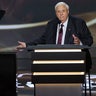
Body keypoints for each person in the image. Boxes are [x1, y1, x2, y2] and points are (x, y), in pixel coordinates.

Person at [17, 2, 93, 71]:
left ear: (68, 11)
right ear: (56, 13)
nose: (61, 14)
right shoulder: (51, 24)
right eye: (58, 11)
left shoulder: (78, 23)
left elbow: (89, 40)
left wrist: (79, 43)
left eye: (63, 11)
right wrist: (27, 45)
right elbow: (42, 40)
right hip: (54, 59)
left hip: (74, 60)